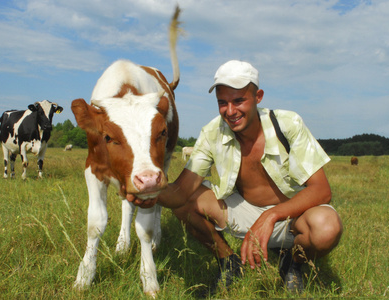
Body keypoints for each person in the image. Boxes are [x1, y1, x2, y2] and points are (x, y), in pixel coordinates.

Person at [128, 60, 343, 294]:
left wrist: (270, 216)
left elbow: (322, 190)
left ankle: (293, 263)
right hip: (244, 212)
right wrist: (148, 191)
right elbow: (181, 192)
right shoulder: (212, 132)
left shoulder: (287, 123)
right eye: (223, 102)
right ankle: (228, 261)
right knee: (186, 203)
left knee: (326, 228)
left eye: (239, 100)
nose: (230, 111)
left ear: (258, 96)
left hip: (292, 217)